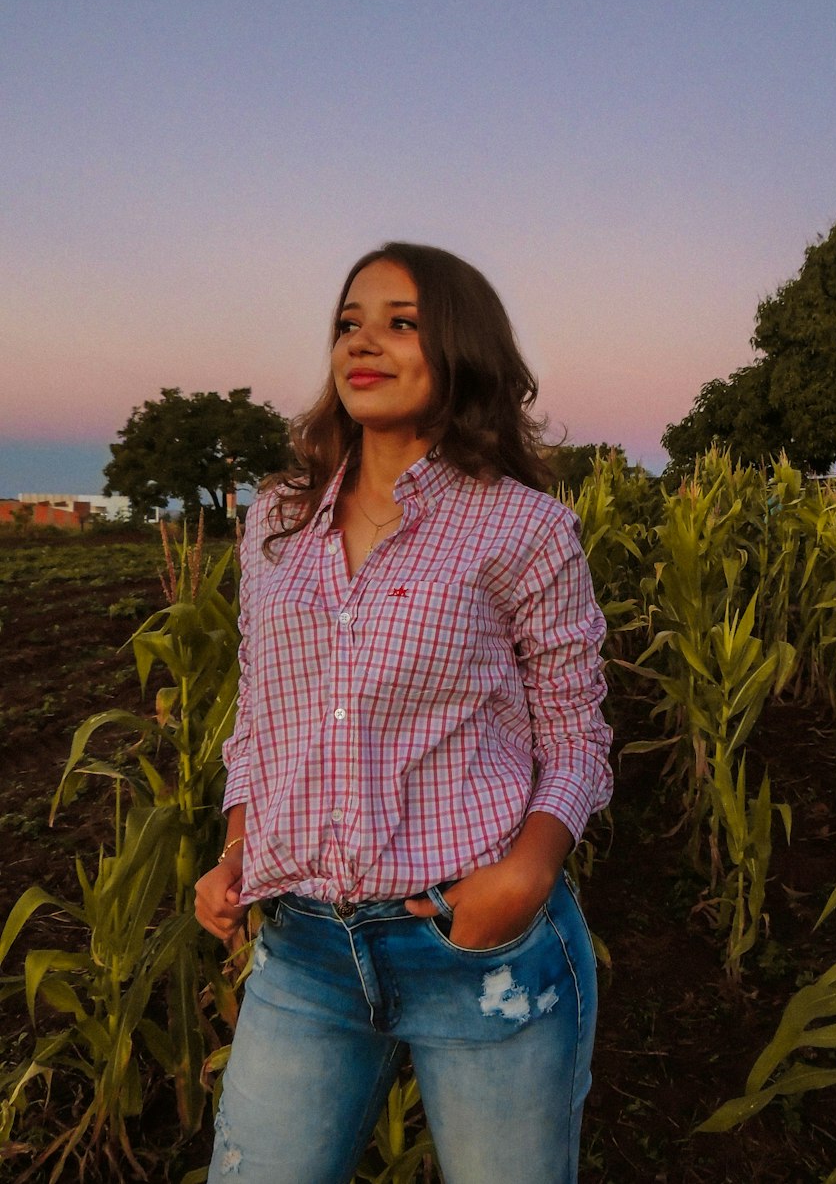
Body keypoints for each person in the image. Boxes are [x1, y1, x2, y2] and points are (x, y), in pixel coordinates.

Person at [195, 242, 613, 1184]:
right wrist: (235, 850)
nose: (363, 343)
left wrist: (521, 878)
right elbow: (261, 712)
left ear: (458, 347)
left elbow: (577, 730)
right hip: (305, 947)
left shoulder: (523, 527)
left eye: (400, 321)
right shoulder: (276, 521)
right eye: (349, 322)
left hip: (474, 944)